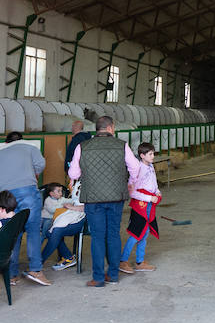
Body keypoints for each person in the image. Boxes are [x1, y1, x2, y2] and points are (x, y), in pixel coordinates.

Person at [68, 115, 140, 287]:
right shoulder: (121, 145)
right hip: (116, 196)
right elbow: (135, 167)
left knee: (98, 237)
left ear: (97, 129)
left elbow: (73, 174)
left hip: (93, 199)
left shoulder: (82, 146)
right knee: (113, 234)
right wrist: (130, 183)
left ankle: (99, 278)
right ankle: (113, 275)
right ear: (110, 128)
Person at [0, 132, 48, 286]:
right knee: (33, 230)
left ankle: (12, 274)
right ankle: (35, 270)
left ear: (6, 143)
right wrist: (33, 174)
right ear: (22, 140)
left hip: (6, 196)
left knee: (12, 232)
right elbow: (41, 164)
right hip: (28, 192)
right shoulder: (30, 148)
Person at [119, 142, 162, 274]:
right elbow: (132, 191)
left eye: (153, 153)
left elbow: (152, 183)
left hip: (149, 204)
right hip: (141, 205)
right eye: (150, 154)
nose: (153, 156)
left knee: (145, 232)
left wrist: (157, 191)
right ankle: (123, 260)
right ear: (142, 155)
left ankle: (140, 261)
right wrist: (149, 198)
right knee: (136, 233)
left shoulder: (150, 166)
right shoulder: (137, 169)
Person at [39, 182, 82, 271]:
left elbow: (73, 202)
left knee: (55, 231)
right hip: (47, 219)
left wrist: (72, 205)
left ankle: (38, 263)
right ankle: (68, 257)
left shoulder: (62, 199)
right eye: (58, 191)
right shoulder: (48, 200)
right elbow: (54, 209)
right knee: (48, 233)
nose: (61, 193)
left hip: (78, 214)